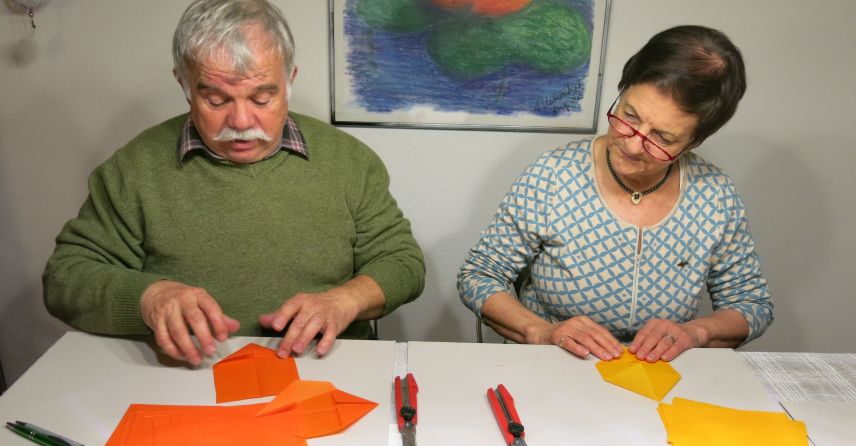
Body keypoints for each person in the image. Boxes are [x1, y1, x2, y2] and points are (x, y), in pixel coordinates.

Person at [43, 0, 425, 366]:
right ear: (185, 85)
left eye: (262, 98)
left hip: (325, 370)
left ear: (289, 81)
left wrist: (345, 301)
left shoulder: (349, 162)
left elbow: (403, 263)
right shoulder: (133, 169)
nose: (241, 121)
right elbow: (65, 278)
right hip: (183, 375)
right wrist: (148, 297)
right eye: (216, 99)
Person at [457, 25, 772, 363]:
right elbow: (480, 274)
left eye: (662, 138)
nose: (633, 145)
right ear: (622, 91)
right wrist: (540, 331)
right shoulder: (552, 176)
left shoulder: (715, 196)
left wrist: (697, 332)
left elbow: (751, 304)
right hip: (552, 371)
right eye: (629, 116)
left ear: (695, 141)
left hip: (658, 383)